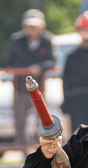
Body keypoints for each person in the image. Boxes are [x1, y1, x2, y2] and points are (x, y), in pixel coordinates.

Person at [5, 9, 54, 142]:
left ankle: (40, 143)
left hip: (39, 86)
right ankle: (21, 145)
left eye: (34, 26)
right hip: (20, 86)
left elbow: (52, 60)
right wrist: (24, 70)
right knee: (20, 117)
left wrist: (40, 67)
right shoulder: (16, 40)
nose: (31, 29)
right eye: (28, 26)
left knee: (42, 117)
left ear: (42, 26)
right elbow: (9, 61)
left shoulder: (47, 40)